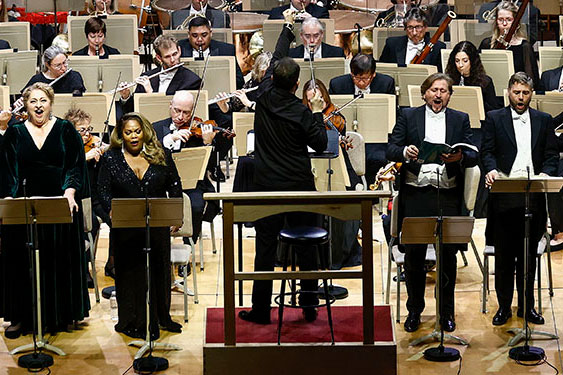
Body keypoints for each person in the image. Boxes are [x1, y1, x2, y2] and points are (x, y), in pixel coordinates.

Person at [238, 9, 327, 325]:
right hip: (300, 186)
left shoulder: (262, 94)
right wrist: (317, 111)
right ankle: (309, 306)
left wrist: (289, 29)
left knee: (264, 251)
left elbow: (275, 58)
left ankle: (261, 310)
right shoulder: (302, 112)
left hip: (266, 187)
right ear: (298, 83)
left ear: (273, 78)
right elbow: (319, 144)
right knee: (306, 250)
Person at [386, 73, 478, 333]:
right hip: (416, 193)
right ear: (424, 93)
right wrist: (405, 152)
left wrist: (458, 156)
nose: (438, 95)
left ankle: (446, 312)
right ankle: (414, 310)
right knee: (414, 257)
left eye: (444, 91)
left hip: (446, 194)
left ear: (449, 95)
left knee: (447, 257)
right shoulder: (408, 116)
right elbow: (390, 149)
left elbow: (471, 154)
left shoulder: (460, 119)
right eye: (434, 90)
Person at [0, 83, 90, 339]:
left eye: (43, 100)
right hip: (23, 206)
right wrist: (8, 202)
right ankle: (20, 317)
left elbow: (75, 165)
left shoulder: (65, 129)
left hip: (59, 204)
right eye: (33, 101)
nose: (38, 105)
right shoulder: (15, 133)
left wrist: (70, 192)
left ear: (51, 103)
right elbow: (7, 171)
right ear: (25, 105)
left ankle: (58, 314)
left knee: (56, 259)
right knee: (21, 262)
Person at [97, 112, 183, 339]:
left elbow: (174, 185)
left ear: (144, 131)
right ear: (121, 135)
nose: (134, 136)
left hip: (156, 225)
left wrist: (176, 215)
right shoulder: (111, 158)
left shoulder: (160, 154)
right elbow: (103, 192)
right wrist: (111, 212)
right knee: (130, 273)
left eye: (137, 131)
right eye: (128, 132)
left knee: (159, 270)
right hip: (126, 228)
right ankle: (133, 319)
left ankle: (160, 317)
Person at [482, 72, 558, 326]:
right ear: (508, 92)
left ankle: (527, 306)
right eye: (517, 93)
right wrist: (491, 169)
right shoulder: (494, 118)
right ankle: (504, 307)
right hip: (504, 193)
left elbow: (550, 154)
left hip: (532, 193)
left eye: (525, 93)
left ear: (531, 94)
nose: (521, 98)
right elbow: (488, 151)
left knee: (528, 257)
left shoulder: (543, 120)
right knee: (504, 256)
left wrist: (545, 174)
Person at [302, 79, 363, 268]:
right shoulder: (303, 115)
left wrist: (341, 139)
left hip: (335, 165)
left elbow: (335, 135)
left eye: (318, 95)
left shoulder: (334, 114)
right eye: (310, 96)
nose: (315, 99)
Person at [152, 91, 221, 246]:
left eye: (186, 113)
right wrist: (169, 139)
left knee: (196, 206)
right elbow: (149, 155)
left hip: (192, 184)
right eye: (177, 110)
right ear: (170, 106)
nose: (181, 117)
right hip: (161, 184)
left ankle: (188, 246)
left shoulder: (199, 132)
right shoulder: (155, 128)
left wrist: (207, 144)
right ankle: (159, 246)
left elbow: (211, 168)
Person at [329, 53, 395, 186]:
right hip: (347, 138)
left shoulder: (386, 83)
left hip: (376, 138)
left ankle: (374, 194)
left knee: (377, 158)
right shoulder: (337, 84)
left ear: (373, 74)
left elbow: (391, 116)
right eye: (355, 78)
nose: (360, 82)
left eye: (365, 79)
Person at [64, 107, 114, 277]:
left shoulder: (94, 144)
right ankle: (83, 270)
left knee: (117, 219)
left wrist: (105, 151)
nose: (87, 134)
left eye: (89, 129)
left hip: (97, 198)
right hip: (78, 198)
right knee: (90, 223)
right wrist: (85, 157)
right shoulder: (66, 147)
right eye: (82, 130)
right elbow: (66, 170)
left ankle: (112, 264)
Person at [118, 34, 202, 114]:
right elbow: (133, 111)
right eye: (167, 57)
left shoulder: (192, 81)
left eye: (175, 54)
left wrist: (150, 93)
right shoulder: (147, 76)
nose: (173, 60)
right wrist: (126, 97)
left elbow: (174, 111)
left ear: (179, 50)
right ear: (159, 58)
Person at [478, 1, 539, 87]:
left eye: (509, 20)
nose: (504, 24)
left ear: (516, 22)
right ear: (496, 21)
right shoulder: (486, 44)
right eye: (500, 20)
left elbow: (531, 80)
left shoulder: (524, 46)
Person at [178, 16, 244, 89]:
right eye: (195, 35)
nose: (199, 39)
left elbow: (239, 82)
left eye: (204, 35)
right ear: (188, 35)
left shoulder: (226, 50)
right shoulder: (178, 49)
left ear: (211, 33)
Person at [379, 7, 446, 71]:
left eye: (418, 27)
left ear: (425, 28)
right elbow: (382, 71)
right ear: (405, 28)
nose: (414, 33)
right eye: (410, 27)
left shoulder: (438, 47)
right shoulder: (392, 44)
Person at [445, 41, 501, 113]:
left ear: (473, 61)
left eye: (465, 61)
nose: (460, 65)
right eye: (457, 61)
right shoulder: (449, 80)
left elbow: (493, 110)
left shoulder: (485, 81)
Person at [22, 45, 86, 94]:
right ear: (47, 65)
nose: (63, 68)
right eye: (58, 66)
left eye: (64, 63)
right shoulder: (37, 80)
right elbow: (25, 99)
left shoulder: (74, 77)